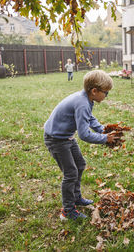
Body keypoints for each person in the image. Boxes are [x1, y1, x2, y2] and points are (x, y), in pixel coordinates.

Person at [44, 70, 115, 222]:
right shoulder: (82, 103)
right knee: (70, 173)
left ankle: (76, 198)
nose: (106, 96)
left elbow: (89, 117)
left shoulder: (86, 98)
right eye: (106, 93)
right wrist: (105, 138)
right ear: (94, 91)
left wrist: (101, 128)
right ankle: (67, 211)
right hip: (56, 139)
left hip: (65, 137)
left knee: (80, 164)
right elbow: (84, 135)